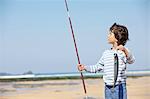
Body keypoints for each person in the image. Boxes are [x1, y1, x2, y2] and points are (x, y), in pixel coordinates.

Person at [78, 23, 135, 99]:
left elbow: (131, 60)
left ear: (117, 37)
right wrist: (85, 67)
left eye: (110, 34)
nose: (108, 36)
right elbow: (97, 67)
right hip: (107, 87)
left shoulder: (123, 51)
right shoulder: (106, 53)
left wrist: (125, 50)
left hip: (120, 86)